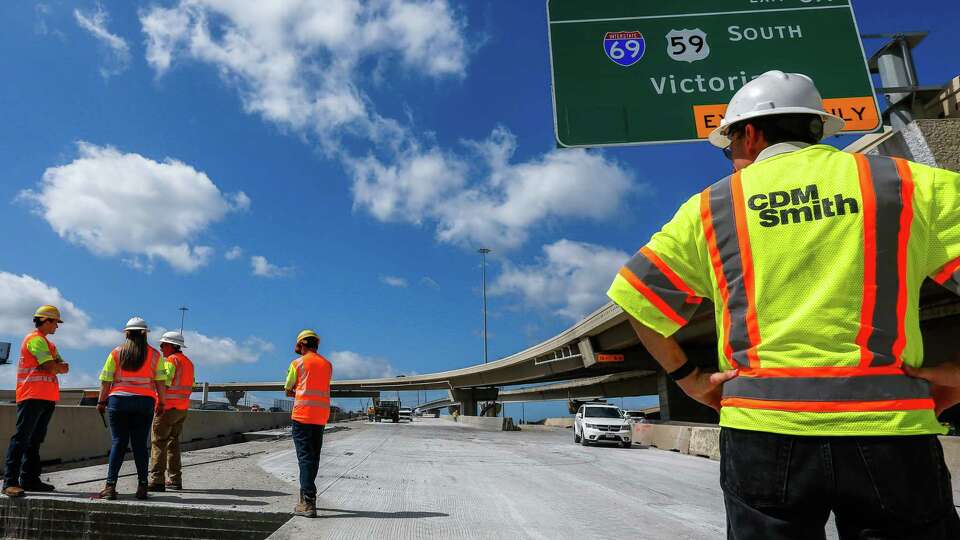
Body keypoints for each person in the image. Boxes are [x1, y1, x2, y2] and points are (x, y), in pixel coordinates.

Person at [607, 70, 960, 539]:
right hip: (891, 429)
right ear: (816, 128)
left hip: (763, 434)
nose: (731, 158)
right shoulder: (907, 183)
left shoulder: (713, 207)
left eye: (729, 145)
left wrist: (689, 380)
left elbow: (636, 295)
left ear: (750, 134)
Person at [95, 317, 167, 500]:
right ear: (145, 334)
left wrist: (101, 402)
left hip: (118, 402)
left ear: (126, 333)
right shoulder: (155, 355)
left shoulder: (116, 353)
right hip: (144, 403)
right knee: (140, 446)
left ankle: (110, 487)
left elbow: (106, 380)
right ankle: (143, 486)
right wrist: (162, 403)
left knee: (118, 443)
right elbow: (160, 382)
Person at [2, 305, 70, 497]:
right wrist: (56, 366)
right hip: (31, 395)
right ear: (46, 321)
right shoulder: (35, 340)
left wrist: (56, 366)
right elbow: (50, 365)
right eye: (56, 322)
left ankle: (30, 479)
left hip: (46, 396)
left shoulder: (48, 344)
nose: (57, 326)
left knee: (34, 440)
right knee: (22, 438)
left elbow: (64, 367)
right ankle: (9, 482)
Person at [284, 329, 332, 518]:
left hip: (303, 416)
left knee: (305, 458)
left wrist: (296, 390)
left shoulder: (297, 363)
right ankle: (307, 496)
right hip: (320, 417)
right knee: (313, 458)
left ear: (302, 344)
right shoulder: (327, 365)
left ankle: (308, 502)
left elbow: (288, 389)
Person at [147, 331, 194, 492]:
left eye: (164, 344)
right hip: (182, 409)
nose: (160, 347)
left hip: (166, 408)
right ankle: (175, 479)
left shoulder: (170, 361)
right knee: (173, 444)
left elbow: (163, 385)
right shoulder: (188, 362)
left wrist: (157, 401)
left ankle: (157, 480)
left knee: (159, 443)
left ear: (173, 346)